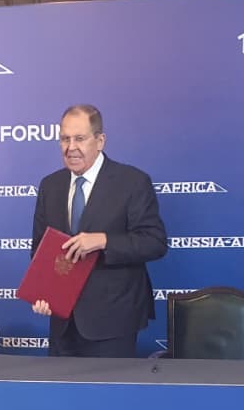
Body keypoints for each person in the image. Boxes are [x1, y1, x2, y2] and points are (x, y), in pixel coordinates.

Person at [30, 104, 167, 357]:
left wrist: (104, 240)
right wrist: (44, 294)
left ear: (100, 140)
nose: (71, 147)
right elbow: (40, 248)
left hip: (112, 321)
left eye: (80, 139)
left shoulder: (132, 182)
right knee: (59, 385)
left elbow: (154, 242)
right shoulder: (50, 185)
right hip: (62, 322)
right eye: (65, 139)